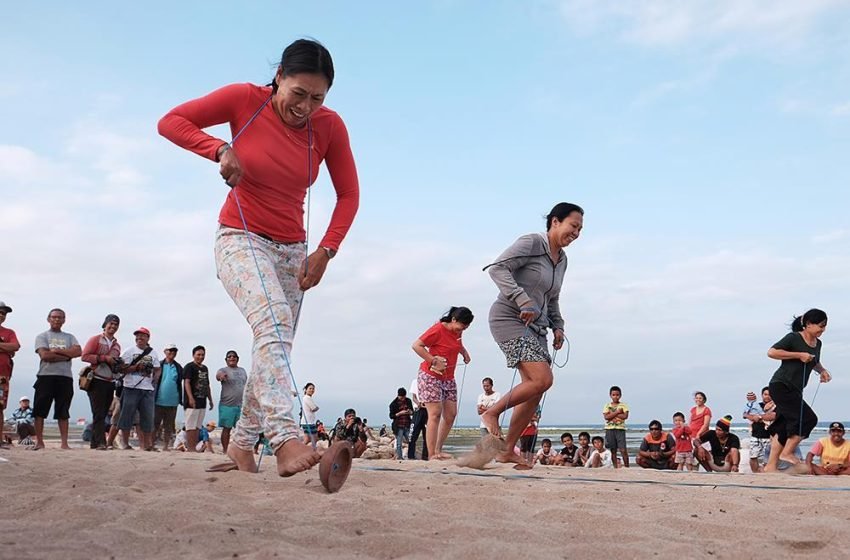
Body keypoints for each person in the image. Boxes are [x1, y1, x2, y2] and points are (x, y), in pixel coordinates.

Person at [159, 39, 360, 477]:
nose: (306, 106)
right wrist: (218, 148)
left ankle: (244, 446)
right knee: (273, 327)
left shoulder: (329, 127)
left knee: (274, 345)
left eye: (317, 98)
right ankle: (285, 438)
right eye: (298, 94)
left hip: (295, 251)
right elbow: (170, 121)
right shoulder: (243, 100)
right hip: (240, 237)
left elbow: (349, 195)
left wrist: (327, 250)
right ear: (278, 78)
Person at [480, 203, 583, 465]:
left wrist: (558, 326)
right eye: (573, 226)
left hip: (537, 327)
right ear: (555, 221)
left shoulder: (562, 261)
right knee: (541, 378)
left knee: (536, 389)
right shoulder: (532, 243)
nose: (577, 233)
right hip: (509, 318)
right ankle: (491, 414)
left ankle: (506, 450)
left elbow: (552, 297)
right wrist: (522, 299)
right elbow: (496, 268)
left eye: (581, 229)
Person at [764, 309, 833, 472]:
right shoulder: (794, 337)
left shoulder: (818, 343)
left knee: (782, 426)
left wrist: (822, 371)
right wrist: (798, 355)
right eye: (820, 326)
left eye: (825, 326)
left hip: (796, 389)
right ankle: (787, 453)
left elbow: (814, 361)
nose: (823, 330)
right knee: (808, 419)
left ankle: (770, 467)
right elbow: (772, 352)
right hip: (781, 385)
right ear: (808, 324)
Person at [411, 306, 473, 460]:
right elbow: (416, 345)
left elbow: (456, 343)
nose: (462, 330)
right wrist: (433, 360)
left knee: (451, 414)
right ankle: (432, 454)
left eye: (466, 328)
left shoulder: (457, 332)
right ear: (453, 320)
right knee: (435, 413)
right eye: (462, 326)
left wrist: (463, 352)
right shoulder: (438, 329)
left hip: (448, 378)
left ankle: (438, 450)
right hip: (430, 375)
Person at [32, 308, 81, 450]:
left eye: (60, 317)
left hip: (65, 377)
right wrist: (67, 356)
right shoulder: (42, 336)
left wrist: (57, 351)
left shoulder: (70, 337)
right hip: (45, 376)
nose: (57, 319)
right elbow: (45, 356)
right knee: (40, 410)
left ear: (64, 320)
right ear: (48, 319)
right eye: (54, 317)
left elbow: (78, 352)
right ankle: (40, 441)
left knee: (63, 410)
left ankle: (64, 443)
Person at [80, 314, 121, 450]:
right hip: (96, 380)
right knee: (98, 412)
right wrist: (104, 358)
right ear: (105, 325)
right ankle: (101, 442)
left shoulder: (117, 345)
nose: (113, 326)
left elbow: (116, 364)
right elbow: (85, 356)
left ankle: (94, 443)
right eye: (111, 324)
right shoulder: (96, 340)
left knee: (103, 413)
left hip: (110, 381)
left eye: (116, 325)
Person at [118, 328, 161, 451]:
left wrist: (156, 378)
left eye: (142, 336)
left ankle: (147, 445)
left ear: (148, 338)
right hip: (130, 387)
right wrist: (136, 367)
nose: (139, 338)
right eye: (137, 336)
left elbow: (157, 368)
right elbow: (121, 368)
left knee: (148, 417)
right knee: (126, 416)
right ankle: (125, 444)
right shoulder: (129, 351)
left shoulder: (153, 353)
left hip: (147, 388)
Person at [183, 345, 214, 453]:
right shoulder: (189, 367)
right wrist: (190, 398)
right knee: (190, 425)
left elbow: (207, 385)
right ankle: (190, 447)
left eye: (202, 355)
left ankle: (194, 447)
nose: (201, 357)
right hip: (192, 401)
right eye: (198, 354)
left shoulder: (205, 368)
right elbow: (186, 382)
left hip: (202, 400)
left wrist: (210, 399)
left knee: (197, 426)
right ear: (194, 355)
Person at [216, 351, 248, 453]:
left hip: (241, 405)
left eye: (234, 356)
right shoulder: (223, 369)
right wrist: (221, 376)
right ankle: (225, 450)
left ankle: (239, 450)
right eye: (229, 356)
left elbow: (247, 385)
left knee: (241, 430)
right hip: (227, 405)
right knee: (227, 428)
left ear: (237, 359)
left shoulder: (242, 371)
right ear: (226, 360)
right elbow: (218, 375)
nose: (232, 358)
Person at [154, 343, 183, 451]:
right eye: (170, 350)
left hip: (173, 401)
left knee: (169, 426)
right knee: (155, 424)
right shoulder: (159, 365)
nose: (172, 353)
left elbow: (181, 383)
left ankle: (166, 446)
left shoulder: (179, 367)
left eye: (174, 351)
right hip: (158, 400)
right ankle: (151, 444)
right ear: (165, 351)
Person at [0, 301, 21, 448]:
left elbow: (15, 346)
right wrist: (6, 349)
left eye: (4, 313)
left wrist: (8, 349)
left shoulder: (9, 332)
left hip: (2, 376)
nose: (2, 315)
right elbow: (11, 348)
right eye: (0, 312)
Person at [743, 387, 776, 473]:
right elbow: (746, 415)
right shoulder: (757, 405)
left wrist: (759, 417)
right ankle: (755, 474)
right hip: (755, 435)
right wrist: (756, 417)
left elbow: (773, 416)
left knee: (767, 459)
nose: (767, 397)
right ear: (762, 395)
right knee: (753, 457)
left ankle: (765, 474)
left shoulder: (776, 407)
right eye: (765, 394)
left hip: (769, 436)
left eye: (770, 395)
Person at [603, 385, 630, 468]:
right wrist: (617, 412)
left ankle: (627, 466)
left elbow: (625, 416)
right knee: (613, 450)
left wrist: (612, 415)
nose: (615, 397)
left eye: (617, 395)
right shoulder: (607, 405)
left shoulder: (623, 405)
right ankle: (615, 467)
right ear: (610, 395)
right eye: (613, 395)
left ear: (620, 395)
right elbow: (606, 417)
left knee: (623, 450)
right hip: (610, 429)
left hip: (620, 429)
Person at [389, 388, 413, 460]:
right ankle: (399, 457)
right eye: (401, 397)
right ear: (398, 395)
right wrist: (399, 413)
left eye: (404, 397)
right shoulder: (393, 404)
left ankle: (411, 456)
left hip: (407, 424)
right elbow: (391, 416)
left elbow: (412, 412)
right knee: (399, 443)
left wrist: (409, 411)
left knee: (411, 440)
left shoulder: (408, 401)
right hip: (398, 426)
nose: (402, 399)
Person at [407, 376, 428, 460]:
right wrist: (419, 403)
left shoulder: (432, 381)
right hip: (418, 410)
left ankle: (425, 456)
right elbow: (414, 397)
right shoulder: (415, 381)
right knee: (412, 434)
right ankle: (410, 456)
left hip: (428, 410)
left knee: (427, 435)